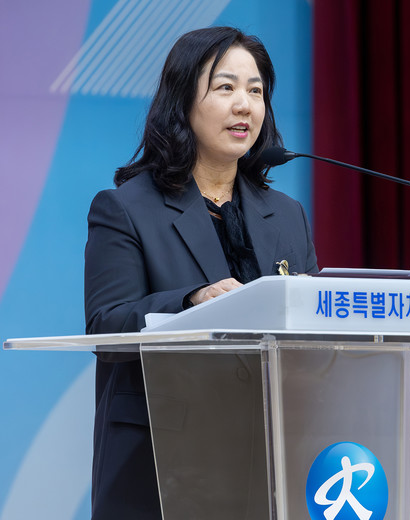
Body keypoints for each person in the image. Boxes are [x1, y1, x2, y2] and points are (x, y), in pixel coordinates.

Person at [84, 26, 318, 519]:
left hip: (268, 453)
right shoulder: (126, 209)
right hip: (163, 461)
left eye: (256, 91)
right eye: (225, 87)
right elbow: (106, 327)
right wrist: (192, 302)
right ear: (182, 100)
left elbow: (314, 336)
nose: (244, 106)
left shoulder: (287, 214)